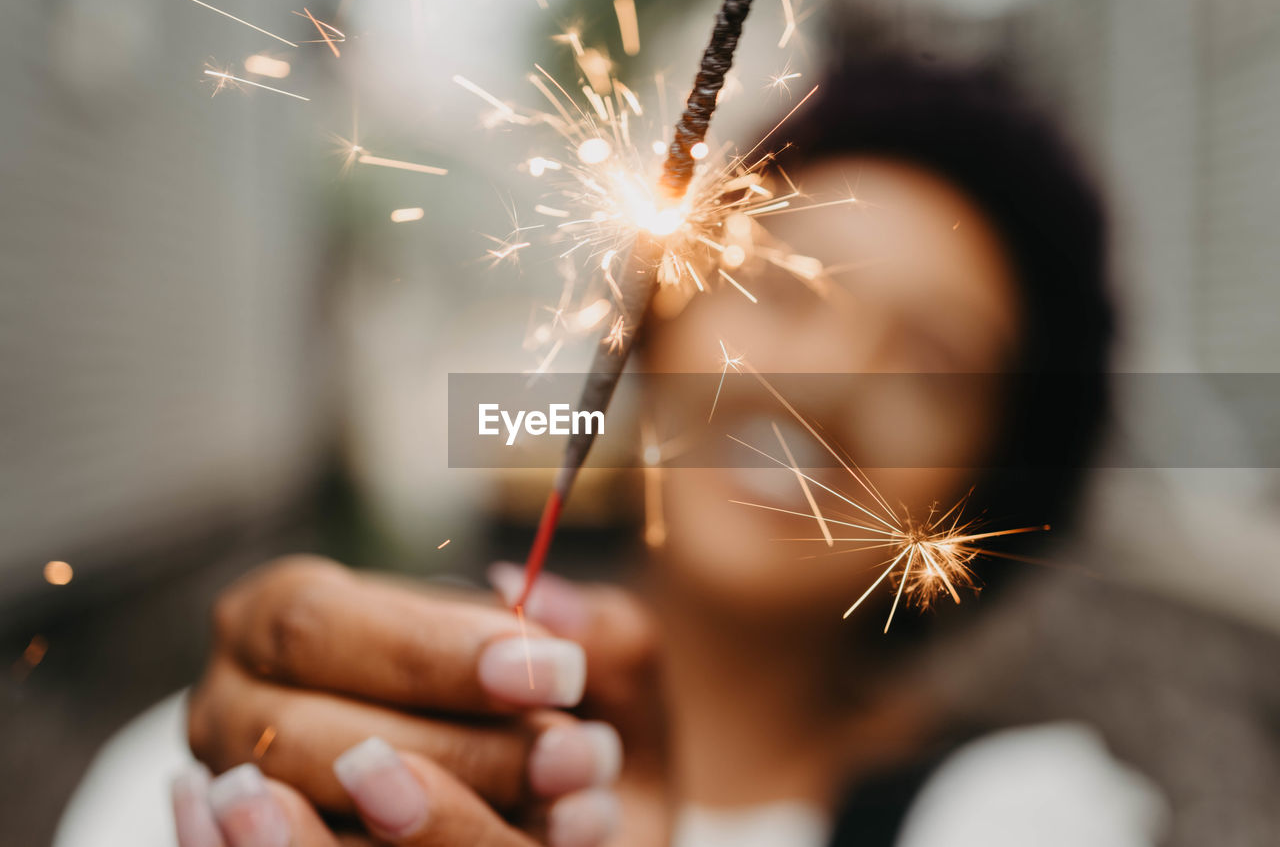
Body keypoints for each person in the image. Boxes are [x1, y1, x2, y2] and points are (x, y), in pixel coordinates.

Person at [171, 53, 1143, 847]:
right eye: (785, 284)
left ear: (986, 483)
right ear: (657, 321)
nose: (828, 378)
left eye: (933, 364)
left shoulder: (1024, 815)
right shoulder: (290, 730)